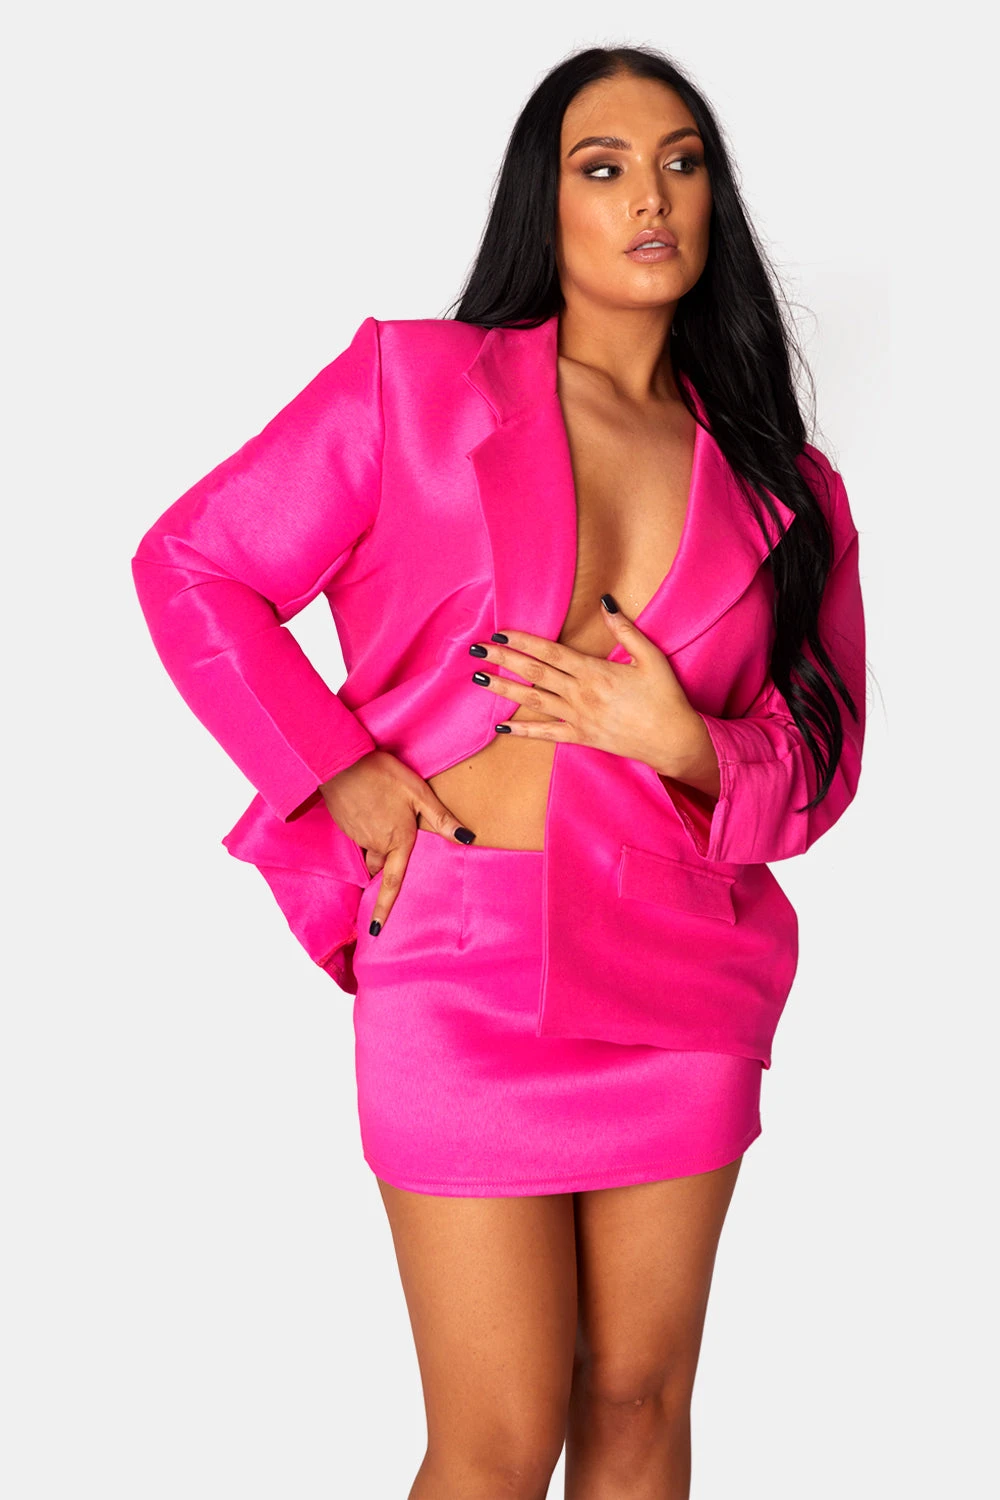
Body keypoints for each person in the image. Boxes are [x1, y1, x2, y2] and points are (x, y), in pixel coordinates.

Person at [131, 43, 866, 1500]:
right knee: (496, 1443)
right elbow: (194, 566)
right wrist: (341, 771)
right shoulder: (413, 387)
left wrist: (686, 743)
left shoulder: (789, 485)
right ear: (550, 201)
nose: (649, 196)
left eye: (682, 162)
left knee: (641, 1405)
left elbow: (824, 754)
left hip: (681, 960)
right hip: (461, 958)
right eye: (605, 166)